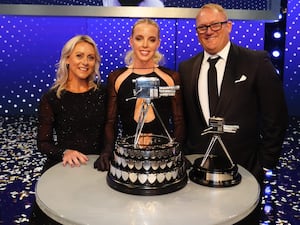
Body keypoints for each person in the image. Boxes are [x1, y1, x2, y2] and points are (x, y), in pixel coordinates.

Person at [178, 3, 288, 225]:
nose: (209, 31)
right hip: (198, 171)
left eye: (215, 25)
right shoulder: (187, 68)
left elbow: (275, 115)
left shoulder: (256, 61)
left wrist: (265, 163)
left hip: (244, 169)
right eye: (202, 27)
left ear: (229, 26)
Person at [30, 35, 106, 224]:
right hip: (62, 169)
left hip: (96, 170)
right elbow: (43, 143)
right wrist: (64, 152)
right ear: (67, 59)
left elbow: (109, 131)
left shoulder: (103, 93)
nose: (85, 62)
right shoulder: (51, 98)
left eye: (90, 57)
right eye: (79, 55)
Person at [94, 18, 185, 171]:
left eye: (151, 39)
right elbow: (111, 122)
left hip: (163, 157)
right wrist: (107, 151)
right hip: (128, 157)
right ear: (131, 41)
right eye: (139, 38)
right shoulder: (116, 77)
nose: (144, 45)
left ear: (158, 43)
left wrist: (177, 152)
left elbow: (179, 121)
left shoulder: (171, 77)